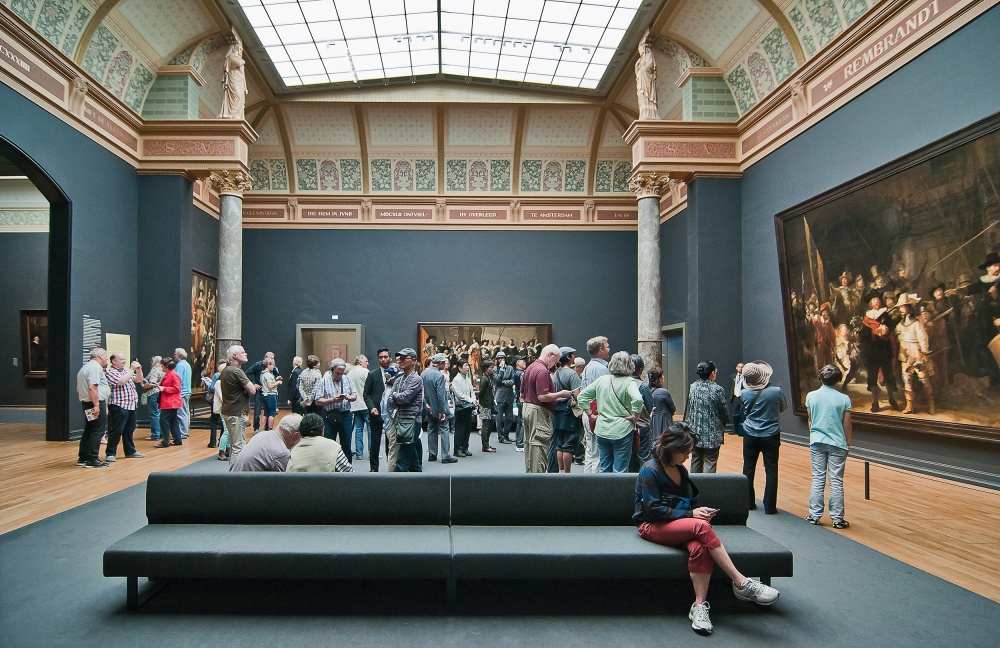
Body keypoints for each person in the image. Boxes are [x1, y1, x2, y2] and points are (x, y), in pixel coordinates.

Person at [635, 422, 780, 635]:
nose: (687, 457)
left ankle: (699, 606)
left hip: (675, 524)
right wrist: (691, 516)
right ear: (670, 449)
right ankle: (741, 582)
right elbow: (652, 509)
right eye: (684, 452)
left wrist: (697, 511)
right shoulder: (650, 470)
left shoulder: (680, 469)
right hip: (651, 525)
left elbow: (685, 502)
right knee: (700, 527)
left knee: (700, 548)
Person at [577, 351, 643, 473]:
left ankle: (604, 486)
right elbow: (638, 399)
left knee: (604, 468)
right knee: (620, 469)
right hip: (622, 429)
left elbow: (581, 396)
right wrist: (635, 415)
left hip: (602, 428)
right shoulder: (629, 382)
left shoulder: (602, 380)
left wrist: (591, 415)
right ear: (629, 365)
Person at [805, 364, 853, 528]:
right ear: (838, 379)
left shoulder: (811, 396)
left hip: (817, 441)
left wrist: (814, 435)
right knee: (836, 481)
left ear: (820, 378)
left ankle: (814, 515)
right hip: (837, 443)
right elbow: (847, 424)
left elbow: (810, 420)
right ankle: (837, 519)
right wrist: (847, 444)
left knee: (818, 479)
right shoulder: (844, 399)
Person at [739, 361, 787, 513]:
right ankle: (770, 507)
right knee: (771, 469)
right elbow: (783, 408)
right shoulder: (776, 391)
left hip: (750, 433)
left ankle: (748, 503)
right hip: (771, 434)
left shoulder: (744, 393)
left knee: (748, 468)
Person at [520, 344, 573, 473]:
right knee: (539, 446)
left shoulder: (530, 367)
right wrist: (560, 394)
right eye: (556, 360)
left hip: (528, 408)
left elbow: (523, 394)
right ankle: (537, 479)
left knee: (530, 446)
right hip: (538, 412)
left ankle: (530, 476)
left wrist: (555, 398)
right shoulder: (542, 371)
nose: (556, 364)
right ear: (550, 355)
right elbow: (542, 396)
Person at [684, 361, 729, 473]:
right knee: (710, 462)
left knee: (695, 460)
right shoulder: (717, 389)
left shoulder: (693, 387)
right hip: (712, 434)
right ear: (712, 373)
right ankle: (708, 484)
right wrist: (724, 422)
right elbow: (724, 411)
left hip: (695, 432)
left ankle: (694, 483)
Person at [895, 293, 935, 414]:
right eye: (900, 307)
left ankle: (931, 403)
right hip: (905, 353)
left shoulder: (917, 323)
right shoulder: (900, 324)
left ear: (909, 307)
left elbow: (923, 339)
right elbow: (898, 335)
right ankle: (909, 405)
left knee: (923, 378)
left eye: (903, 306)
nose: (901, 309)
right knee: (906, 379)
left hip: (916, 352)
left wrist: (924, 353)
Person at [218, 345, 258, 464]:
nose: (246, 354)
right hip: (236, 412)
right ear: (234, 356)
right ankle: (236, 473)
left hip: (228, 411)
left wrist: (245, 388)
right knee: (238, 447)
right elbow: (252, 390)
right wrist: (247, 388)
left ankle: (234, 471)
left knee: (234, 445)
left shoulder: (226, 370)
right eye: (243, 352)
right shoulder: (236, 371)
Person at [104, 352, 145, 462]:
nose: (124, 361)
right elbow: (121, 382)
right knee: (116, 430)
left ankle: (130, 451)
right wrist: (132, 369)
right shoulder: (110, 372)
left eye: (124, 359)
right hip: (118, 405)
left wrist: (139, 369)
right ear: (113, 361)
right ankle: (110, 453)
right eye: (121, 359)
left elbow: (139, 380)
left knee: (129, 430)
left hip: (131, 405)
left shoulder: (126, 371)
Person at [388, 348, 424, 472]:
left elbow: (405, 398)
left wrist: (395, 396)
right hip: (401, 420)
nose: (400, 360)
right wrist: (397, 397)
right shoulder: (399, 379)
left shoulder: (416, 379)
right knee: (413, 460)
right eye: (400, 358)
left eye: (404, 358)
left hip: (411, 421)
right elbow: (390, 401)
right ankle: (421, 482)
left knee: (402, 460)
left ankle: (397, 483)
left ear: (413, 360)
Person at [314, 358, 357, 459]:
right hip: (330, 415)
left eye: (342, 373)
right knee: (329, 444)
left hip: (345, 415)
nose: (339, 376)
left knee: (346, 445)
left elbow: (354, 395)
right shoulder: (324, 381)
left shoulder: (347, 379)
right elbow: (317, 401)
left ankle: (347, 467)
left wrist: (349, 397)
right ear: (332, 370)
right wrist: (333, 400)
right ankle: (330, 466)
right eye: (337, 373)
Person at [76, 348, 111, 468]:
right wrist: (96, 405)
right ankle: (92, 458)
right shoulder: (95, 368)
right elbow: (92, 387)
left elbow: (78, 388)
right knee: (97, 430)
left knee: (90, 429)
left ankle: (83, 457)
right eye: (106, 356)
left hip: (87, 402)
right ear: (101, 356)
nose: (106, 359)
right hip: (94, 402)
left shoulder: (85, 367)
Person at [229, 413, 302, 472]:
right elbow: (288, 481)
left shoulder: (261, 435)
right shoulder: (281, 453)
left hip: (234, 481)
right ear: (295, 436)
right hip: (245, 485)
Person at [580, 336, 611, 473]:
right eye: (607, 346)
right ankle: (596, 482)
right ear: (601, 349)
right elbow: (606, 394)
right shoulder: (601, 369)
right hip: (596, 412)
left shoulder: (588, 367)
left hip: (587, 412)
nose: (609, 349)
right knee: (598, 453)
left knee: (590, 450)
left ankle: (586, 481)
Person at [286, 413, 355, 472]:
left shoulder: (294, 450)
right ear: (323, 430)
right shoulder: (334, 447)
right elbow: (349, 473)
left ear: (300, 432)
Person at [552, 348, 583, 473]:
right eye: (572, 354)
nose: (574, 356)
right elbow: (577, 395)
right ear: (569, 357)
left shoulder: (556, 373)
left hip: (557, 409)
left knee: (560, 444)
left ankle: (561, 472)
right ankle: (567, 474)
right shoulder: (572, 374)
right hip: (569, 411)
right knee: (569, 445)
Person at [423, 354, 457, 464]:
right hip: (438, 407)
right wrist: (443, 411)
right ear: (441, 363)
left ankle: (432, 453)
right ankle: (445, 455)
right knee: (444, 429)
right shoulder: (439, 375)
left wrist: (426, 404)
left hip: (429, 406)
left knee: (431, 429)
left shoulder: (424, 373)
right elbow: (441, 395)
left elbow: (422, 392)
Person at [363, 348, 391, 472]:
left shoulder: (396, 373)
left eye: (385, 357)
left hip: (391, 413)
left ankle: (391, 467)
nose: (383, 359)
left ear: (390, 357)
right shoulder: (372, 374)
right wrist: (371, 407)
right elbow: (366, 394)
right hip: (376, 412)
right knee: (375, 442)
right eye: (380, 357)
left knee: (391, 442)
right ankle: (374, 468)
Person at [630, 354, 654, 471]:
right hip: (641, 425)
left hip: (627, 424)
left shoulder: (623, 384)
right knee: (644, 456)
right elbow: (649, 406)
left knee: (630, 457)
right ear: (640, 369)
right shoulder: (643, 386)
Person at [154, 356, 183, 449]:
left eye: (162, 366)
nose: (161, 367)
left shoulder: (173, 374)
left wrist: (164, 388)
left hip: (171, 402)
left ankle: (165, 441)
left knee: (164, 420)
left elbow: (176, 388)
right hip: (170, 402)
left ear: (166, 366)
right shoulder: (170, 374)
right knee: (173, 421)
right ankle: (177, 439)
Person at [451, 360, 478, 457]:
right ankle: (457, 449)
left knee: (467, 428)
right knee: (460, 428)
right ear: (459, 368)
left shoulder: (467, 378)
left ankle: (465, 447)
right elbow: (459, 394)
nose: (467, 368)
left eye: (468, 366)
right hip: (461, 407)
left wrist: (474, 399)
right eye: (465, 366)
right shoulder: (456, 379)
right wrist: (470, 400)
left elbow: (472, 391)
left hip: (468, 406)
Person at [348, 355, 370, 459]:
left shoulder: (350, 373)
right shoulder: (365, 372)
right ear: (360, 362)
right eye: (366, 361)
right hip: (365, 404)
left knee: (359, 429)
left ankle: (359, 453)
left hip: (355, 405)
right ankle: (371, 452)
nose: (367, 363)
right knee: (370, 429)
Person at [492, 351, 516, 444]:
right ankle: (501, 437)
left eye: (502, 358)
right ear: (497, 360)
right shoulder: (495, 368)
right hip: (500, 395)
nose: (501, 360)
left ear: (505, 359)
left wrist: (504, 382)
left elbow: (513, 380)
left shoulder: (510, 368)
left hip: (509, 395)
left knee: (509, 418)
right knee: (499, 418)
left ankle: (506, 435)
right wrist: (501, 370)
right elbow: (498, 380)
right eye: (499, 359)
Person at [142, 355, 163, 442]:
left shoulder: (154, 370)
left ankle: (155, 434)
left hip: (154, 393)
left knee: (154, 414)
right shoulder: (163, 370)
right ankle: (161, 433)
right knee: (159, 414)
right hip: (161, 393)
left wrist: (144, 385)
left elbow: (152, 383)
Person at [477, 360, 497, 452]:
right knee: (486, 425)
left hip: (489, 403)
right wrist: (481, 403)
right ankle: (485, 446)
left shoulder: (489, 377)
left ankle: (487, 444)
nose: (493, 369)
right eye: (491, 367)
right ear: (486, 368)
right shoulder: (485, 379)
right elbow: (481, 393)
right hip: (485, 404)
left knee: (489, 424)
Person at [258, 358, 282, 431]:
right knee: (272, 413)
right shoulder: (268, 375)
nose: (274, 367)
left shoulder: (262, 374)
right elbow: (270, 386)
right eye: (273, 365)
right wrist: (278, 382)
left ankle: (261, 430)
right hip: (270, 395)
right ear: (268, 365)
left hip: (264, 395)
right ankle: (270, 430)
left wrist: (275, 379)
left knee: (266, 413)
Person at [173, 347, 192, 439]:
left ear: (178, 355)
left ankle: (183, 432)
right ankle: (186, 430)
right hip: (187, 391)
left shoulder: (180, 365)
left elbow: (177, 379)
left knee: (181, 413)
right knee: (186, 412)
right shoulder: (187, 364)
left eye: (175, 354)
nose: (174, 356)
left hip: (182, 392)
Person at [207, 361, 225, 448]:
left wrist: (208, 385)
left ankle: (212, 442)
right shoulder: (229, 376)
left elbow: (212, 388)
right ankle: (221, 441)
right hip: (225, 403)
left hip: (217, 402)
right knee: (223, 423)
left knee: (213, 421)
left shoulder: (217, 375)